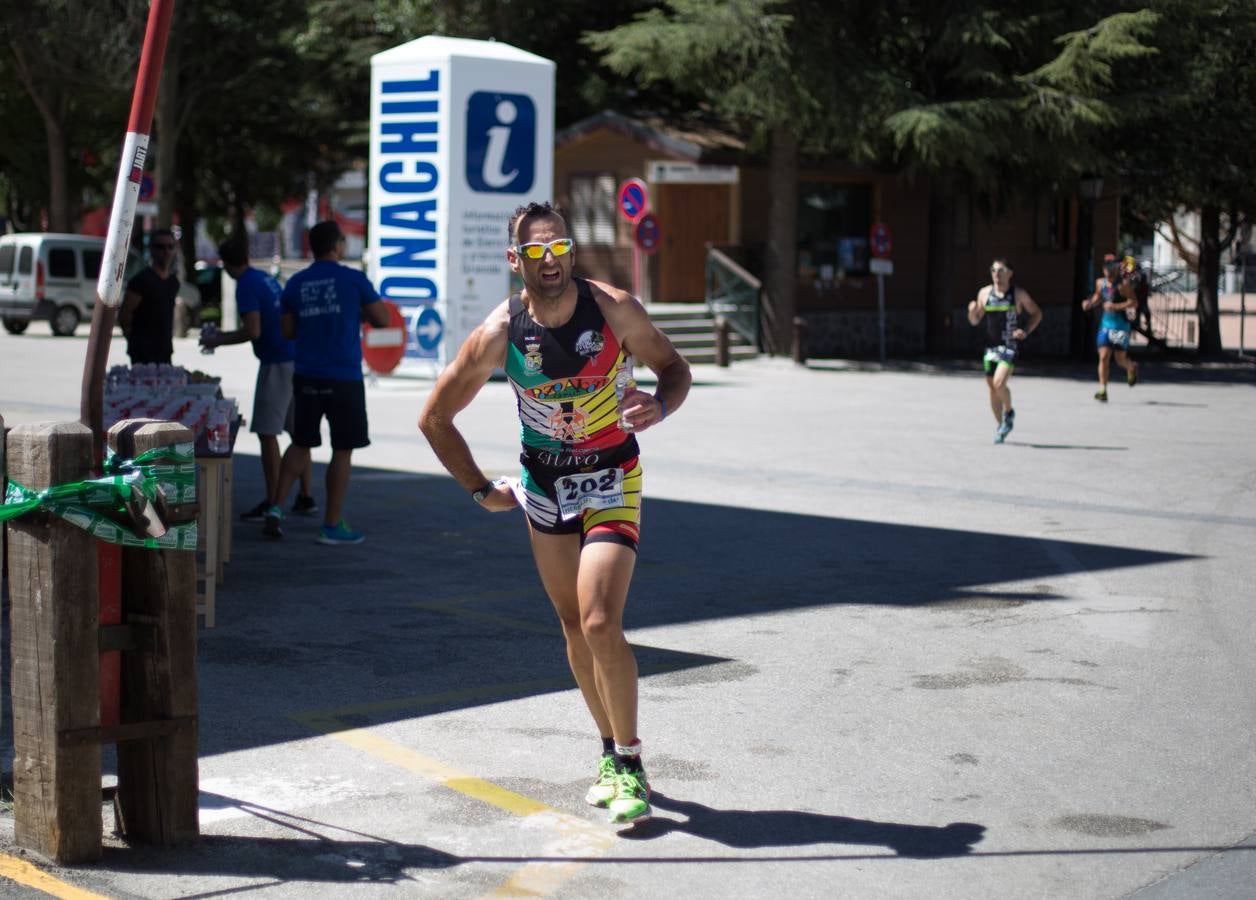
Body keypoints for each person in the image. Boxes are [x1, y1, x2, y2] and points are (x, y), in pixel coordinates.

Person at [418, 201, 692, 826]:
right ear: (514, 260)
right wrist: (479, 490)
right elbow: (434, 418)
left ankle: (631, 761)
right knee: (572, 625)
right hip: (544, 488)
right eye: (535, 251)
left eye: (559, 247)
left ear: (571, 251)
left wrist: (660, 405)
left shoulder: (614, 309)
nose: (550, 260)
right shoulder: (499, 333)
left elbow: (675, 368)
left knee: (599, 620)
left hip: (613, 478)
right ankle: (608, 751)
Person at [266, 221, 390, 544]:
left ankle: (275, 507)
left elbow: (288, 331)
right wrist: (353, 314)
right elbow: (383, 319)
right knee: (342, 449)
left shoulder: (296, 283)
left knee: (301, 442)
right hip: (344, 377)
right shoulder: (353, 279)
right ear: (337, 245)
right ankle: (331, 525)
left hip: (307, 374)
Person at [200, 238, 316, 522]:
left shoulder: (246, 285)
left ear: (226, 264)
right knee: (299, 434)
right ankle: (305, 496)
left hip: (276, 361)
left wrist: (217, 340)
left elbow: (253, 330)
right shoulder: (264, 278)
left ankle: (273, 501)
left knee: (267, 432)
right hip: (296, 356)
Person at [967, 258, 1043, 443]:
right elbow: (975, 321)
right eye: (993, 270)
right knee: (992, 388)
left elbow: (1037, 313)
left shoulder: (1018, 294)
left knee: (999, 383)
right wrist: (972, 311)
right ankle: (1002, 426)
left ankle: (1008, 412)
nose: (996, 274)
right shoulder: (985, 293)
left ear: (1010, 273)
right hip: (991, 347)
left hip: (1009, 346)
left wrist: (1025, 330)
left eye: (1000, 270)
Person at [1081, 254, 1140, 402]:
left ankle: (1131, 367)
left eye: (1110, 267)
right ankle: (1103, 390)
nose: (1107, 271)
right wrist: (1089, 303)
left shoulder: (1123, 285)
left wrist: (1115, 306)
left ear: (1116, 268)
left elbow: (1134, 302)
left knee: (1120, 359)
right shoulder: (1100, 283)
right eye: (1105, 267)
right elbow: (1097, 297)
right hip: (1106, 325)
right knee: (1103, 356)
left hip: (1120, 326)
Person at [120, 228, 180, 365]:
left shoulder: (173, 282)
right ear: (151, 249)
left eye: (170, 247)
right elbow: (124, 315)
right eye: (161, 247)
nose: (166, 251)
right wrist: (133, 340)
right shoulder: (141, 281)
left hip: (165, 351)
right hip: (142, 354)